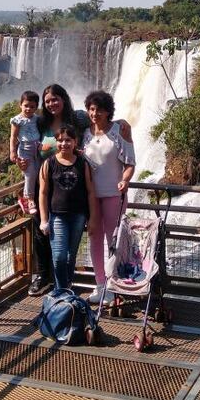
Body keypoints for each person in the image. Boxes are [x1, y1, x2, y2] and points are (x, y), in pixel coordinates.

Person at [28, 84, 90, 296]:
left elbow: (101, 119)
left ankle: (62, 284)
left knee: (65, 245)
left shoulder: (78, 119)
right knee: (40, 231)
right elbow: (22, 133)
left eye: (55, 99)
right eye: (47, 101)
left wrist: (121, 124)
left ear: (64, 99)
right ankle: (43, 276)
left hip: (72, 185)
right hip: (45, 183)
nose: (51, 104)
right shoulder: (40, 122)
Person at [81, 90, 135, 305]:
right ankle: (100, 283)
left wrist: (125, 180)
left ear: (107, 111)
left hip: (114, 194)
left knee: (113, 240)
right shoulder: (84, 133)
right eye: (91, 109)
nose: (95, 113)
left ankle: (115, 284)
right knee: (94, 236)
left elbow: (130, 162)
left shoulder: (119, 130)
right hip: (91, 196)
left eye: (99, 109)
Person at [39, 125, 98, 291]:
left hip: (78, 215)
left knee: (71, 256)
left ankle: (67, 286)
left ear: (75, 142)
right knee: (59, 256)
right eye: (60, 140)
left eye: (68, 140)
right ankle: (61, 290)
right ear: (56, 142)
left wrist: (92, 218)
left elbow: (90, 192)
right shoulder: (48, 164)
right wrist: (44, 220)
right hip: (57, 215)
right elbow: (43, 194)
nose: (64, 144)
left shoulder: (82, 163)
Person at [9, 91, 41, 215]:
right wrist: (12, 152)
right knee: (30, 174)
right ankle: (29, 199)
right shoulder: (17, 120)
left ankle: (30, 198)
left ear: (36, 107)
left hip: (37, 150)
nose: (28, 109)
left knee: (39, 172)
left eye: (32, 106)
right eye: (26, 105)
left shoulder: (37, 119)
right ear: (20, 105)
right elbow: (13, 137)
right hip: (25, 151)